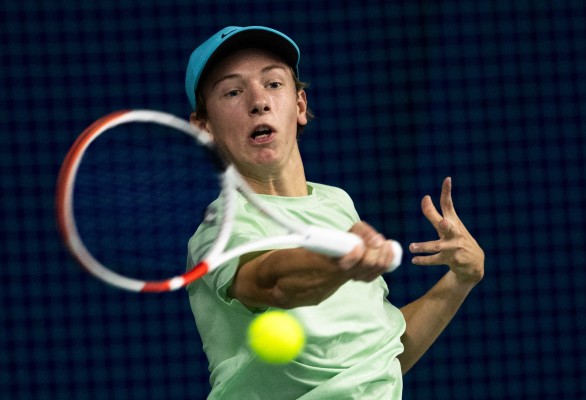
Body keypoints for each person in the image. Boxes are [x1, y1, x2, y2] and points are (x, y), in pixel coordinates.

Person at [185, 26, 484, 399]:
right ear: (204, 128)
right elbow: (272, 283)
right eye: (233, 91)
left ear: (299, 106)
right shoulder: (219, 231)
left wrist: (460, 280)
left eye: (273, 84)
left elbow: (378, 359)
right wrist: (339, 262)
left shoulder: (336, 202)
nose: (259, 101)